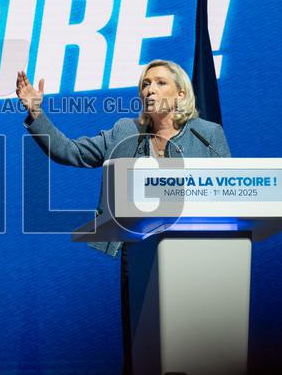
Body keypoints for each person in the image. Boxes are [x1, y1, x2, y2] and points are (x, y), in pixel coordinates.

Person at [16, 59, 231, 258]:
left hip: (199, 249)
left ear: (181, 95)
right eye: (145, 84)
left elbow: (230, 193)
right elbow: (69, 151)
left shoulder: (207, 134)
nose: (150, 90)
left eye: (160, 83)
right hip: (140, 253)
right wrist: (35, 112)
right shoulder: (125, 131)